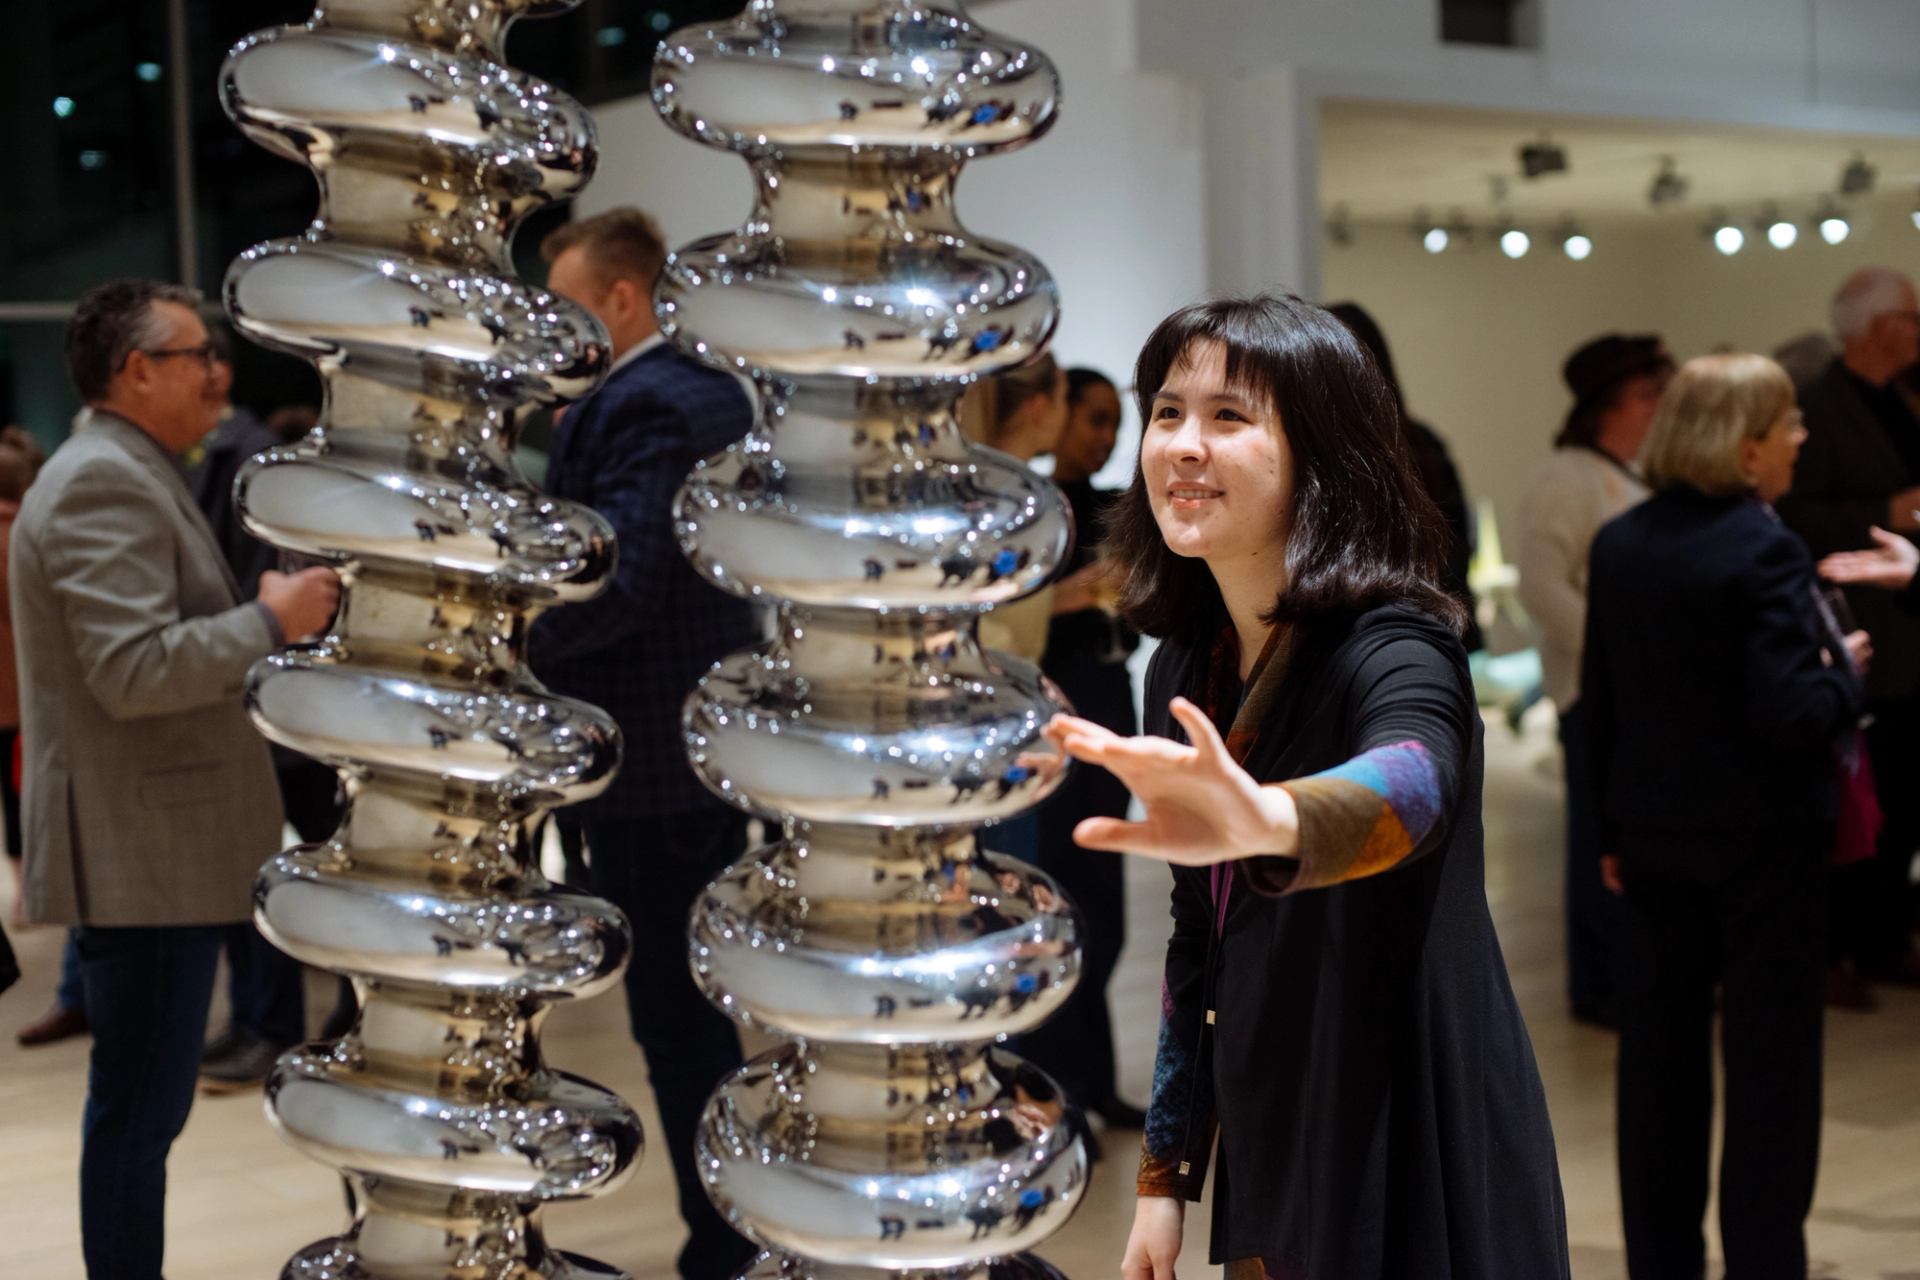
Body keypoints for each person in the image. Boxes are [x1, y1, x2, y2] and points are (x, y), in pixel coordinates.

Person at [1046, 295, 1568, 1280]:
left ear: (1320, 455)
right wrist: (1164, 1178)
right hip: (1275, 1104)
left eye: (1229, 417)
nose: (1183, 446)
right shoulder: (1187, 667)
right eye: (1167, 412)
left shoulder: (1396, 640)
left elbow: (1412, 786)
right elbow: (1197, 942)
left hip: (1407, 1110)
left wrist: (1270, 816)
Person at [11, 278, 338, 1280]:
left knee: (140, 1109)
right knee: (138, 1114)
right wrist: (273, 619)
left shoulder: (127, 468)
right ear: (138, 368)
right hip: (141, 850)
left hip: (152, 842)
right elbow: (133, 668)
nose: (220, 372)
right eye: (199, 354)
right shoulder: (102, 479)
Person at [1582, 353, 1863, 1280]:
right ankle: (1762, 1260)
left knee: (1658, 1067)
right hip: (1765, 847)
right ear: (1747, 452)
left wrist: (1609, 836)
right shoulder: (1764, 547)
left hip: (1656, 839)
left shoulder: (1622, 542)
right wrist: (1844, 678)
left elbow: (1601, 706)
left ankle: (1662, 1262)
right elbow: (1790, 714)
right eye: (1789, 426)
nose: (1802, 438)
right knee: (1771, 1067)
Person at [531, 208, 761, 1280]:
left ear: (624, 296)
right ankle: (727, 1225)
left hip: (653, 763)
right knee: (689, 1017)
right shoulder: (699, 387)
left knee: (679, 1026)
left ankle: (724, 1239)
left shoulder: (653, 398)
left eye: (572, 301)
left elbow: (619, 582)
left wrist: (508, 632)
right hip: (682, 750)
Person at [187, 327, 349, 1090]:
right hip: (252, 689)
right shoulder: (214, 458)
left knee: (310, 866)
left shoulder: (250, 458)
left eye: (205, 358)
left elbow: (267, 588)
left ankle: (306, 1022)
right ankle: (270, 1020)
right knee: (264, 868)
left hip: (284, 699)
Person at [1517, 332, 1673, 1027]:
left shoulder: (1643, 472)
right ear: (1614, 403)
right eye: (1649, 394)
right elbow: (1543, 588)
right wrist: (1620, 653)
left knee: (1636, 836)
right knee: (1598, 840)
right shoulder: (1568, 477)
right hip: (1594, 691)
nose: (1661, 407)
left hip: (1642, 691)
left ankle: (1641, 970)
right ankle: (1602, 982)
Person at [1776, 267, 1920, 998]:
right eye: (1910, 313)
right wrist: (1889, 512)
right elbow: (1796, 519)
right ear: (1874, 327)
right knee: (1864, 802)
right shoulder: (1819, 407)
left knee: (1907, 804)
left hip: (1912, 628)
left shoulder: (1902, 399)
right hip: (1864, 635)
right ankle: (1839, 950)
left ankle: (1887, 940)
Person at [1014, 367, 1145, 1137]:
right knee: (1062, 899)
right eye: (1090, 418)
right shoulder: (1031, 508)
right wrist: (1078, 593)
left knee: (1103, 907)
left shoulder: (1115, 508)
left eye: (1109, 422)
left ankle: (1094, 1082)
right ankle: (1060, 1086)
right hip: (1053, 708)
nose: (1102, 435)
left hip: (1107, 698)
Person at [1326, 301, 1482, 649]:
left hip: (1379, 634)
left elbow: (1452, 541)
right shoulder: (1422, 442)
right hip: (1432, 622)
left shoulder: (1419, 445)